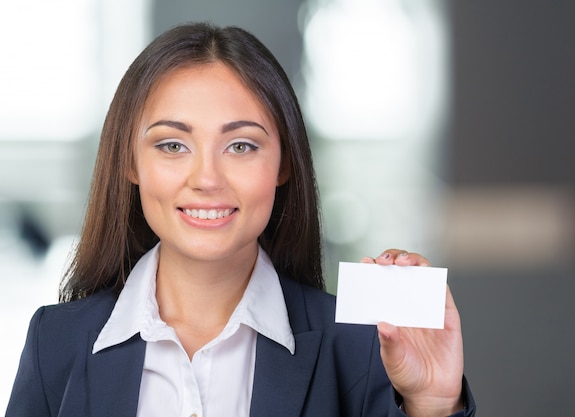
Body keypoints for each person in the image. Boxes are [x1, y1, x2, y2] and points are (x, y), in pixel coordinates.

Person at [5, 22, 475, 417]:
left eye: (241, 146)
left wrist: (433, 402)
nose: (206, 178)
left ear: (283, 164)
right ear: (130, 162)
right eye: (172, 145)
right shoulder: (57, 342)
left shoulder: (358, 347)